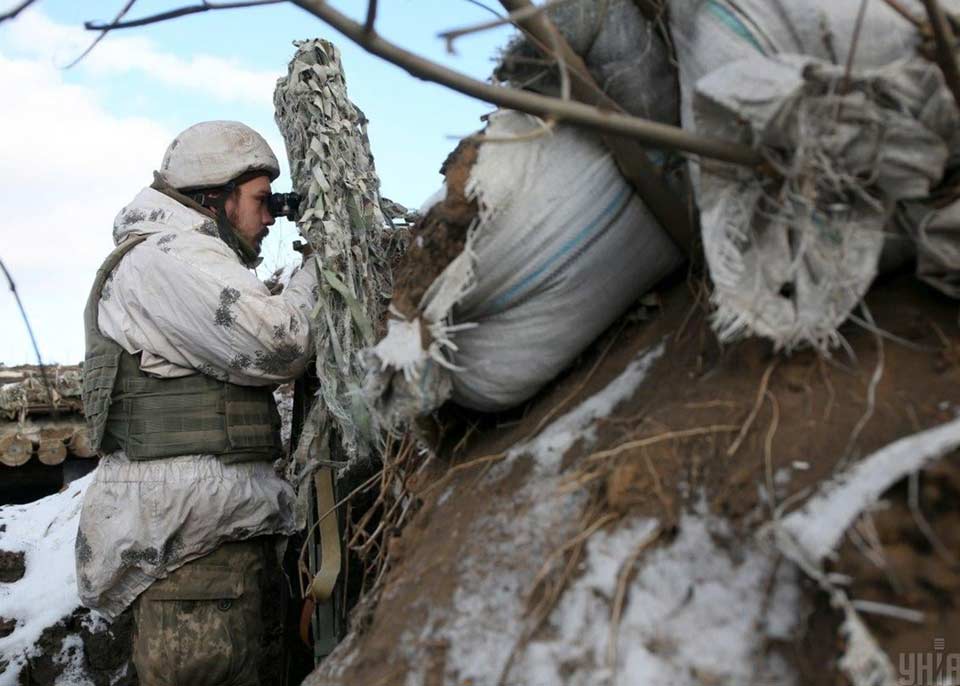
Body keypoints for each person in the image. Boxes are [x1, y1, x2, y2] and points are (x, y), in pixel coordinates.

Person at [76, 121, 317, 685]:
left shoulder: (182, 256)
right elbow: (280, 343)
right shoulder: (168, 257)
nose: (270, 218)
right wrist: (318, 268)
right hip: (191, 549)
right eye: (260, 202)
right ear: (214, 199)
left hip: (208, 535)